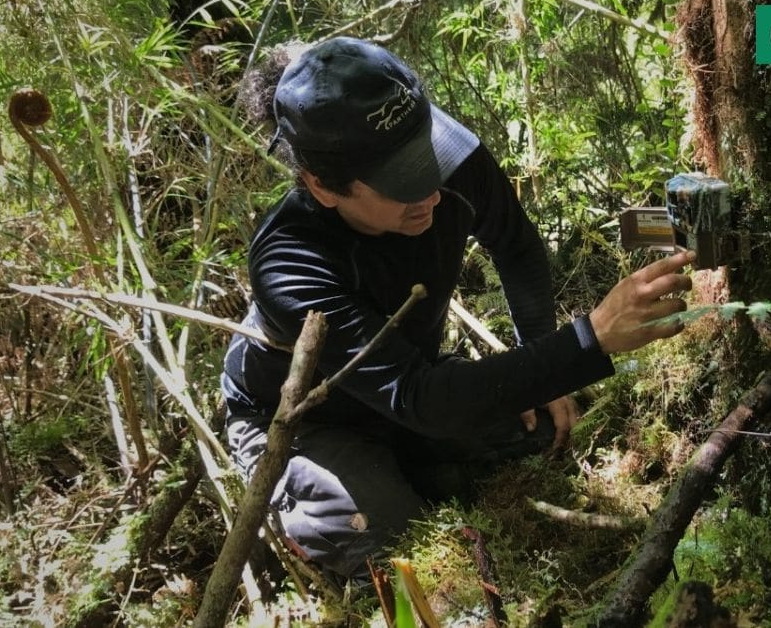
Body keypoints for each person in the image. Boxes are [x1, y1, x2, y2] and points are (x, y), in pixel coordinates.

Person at [221, 36, 694, 581]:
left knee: (540, 429)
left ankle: (415, 466)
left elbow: (515, 245)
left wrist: (543, 365)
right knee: (386, 536)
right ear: (321, 186)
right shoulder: (290, 262)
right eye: (402, 183)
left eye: (426, 161)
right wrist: (592, 337)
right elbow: (419, 397)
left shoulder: (445, 152)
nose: (432, 192)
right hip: (301, 418)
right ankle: (323, 507)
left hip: (405, 386)